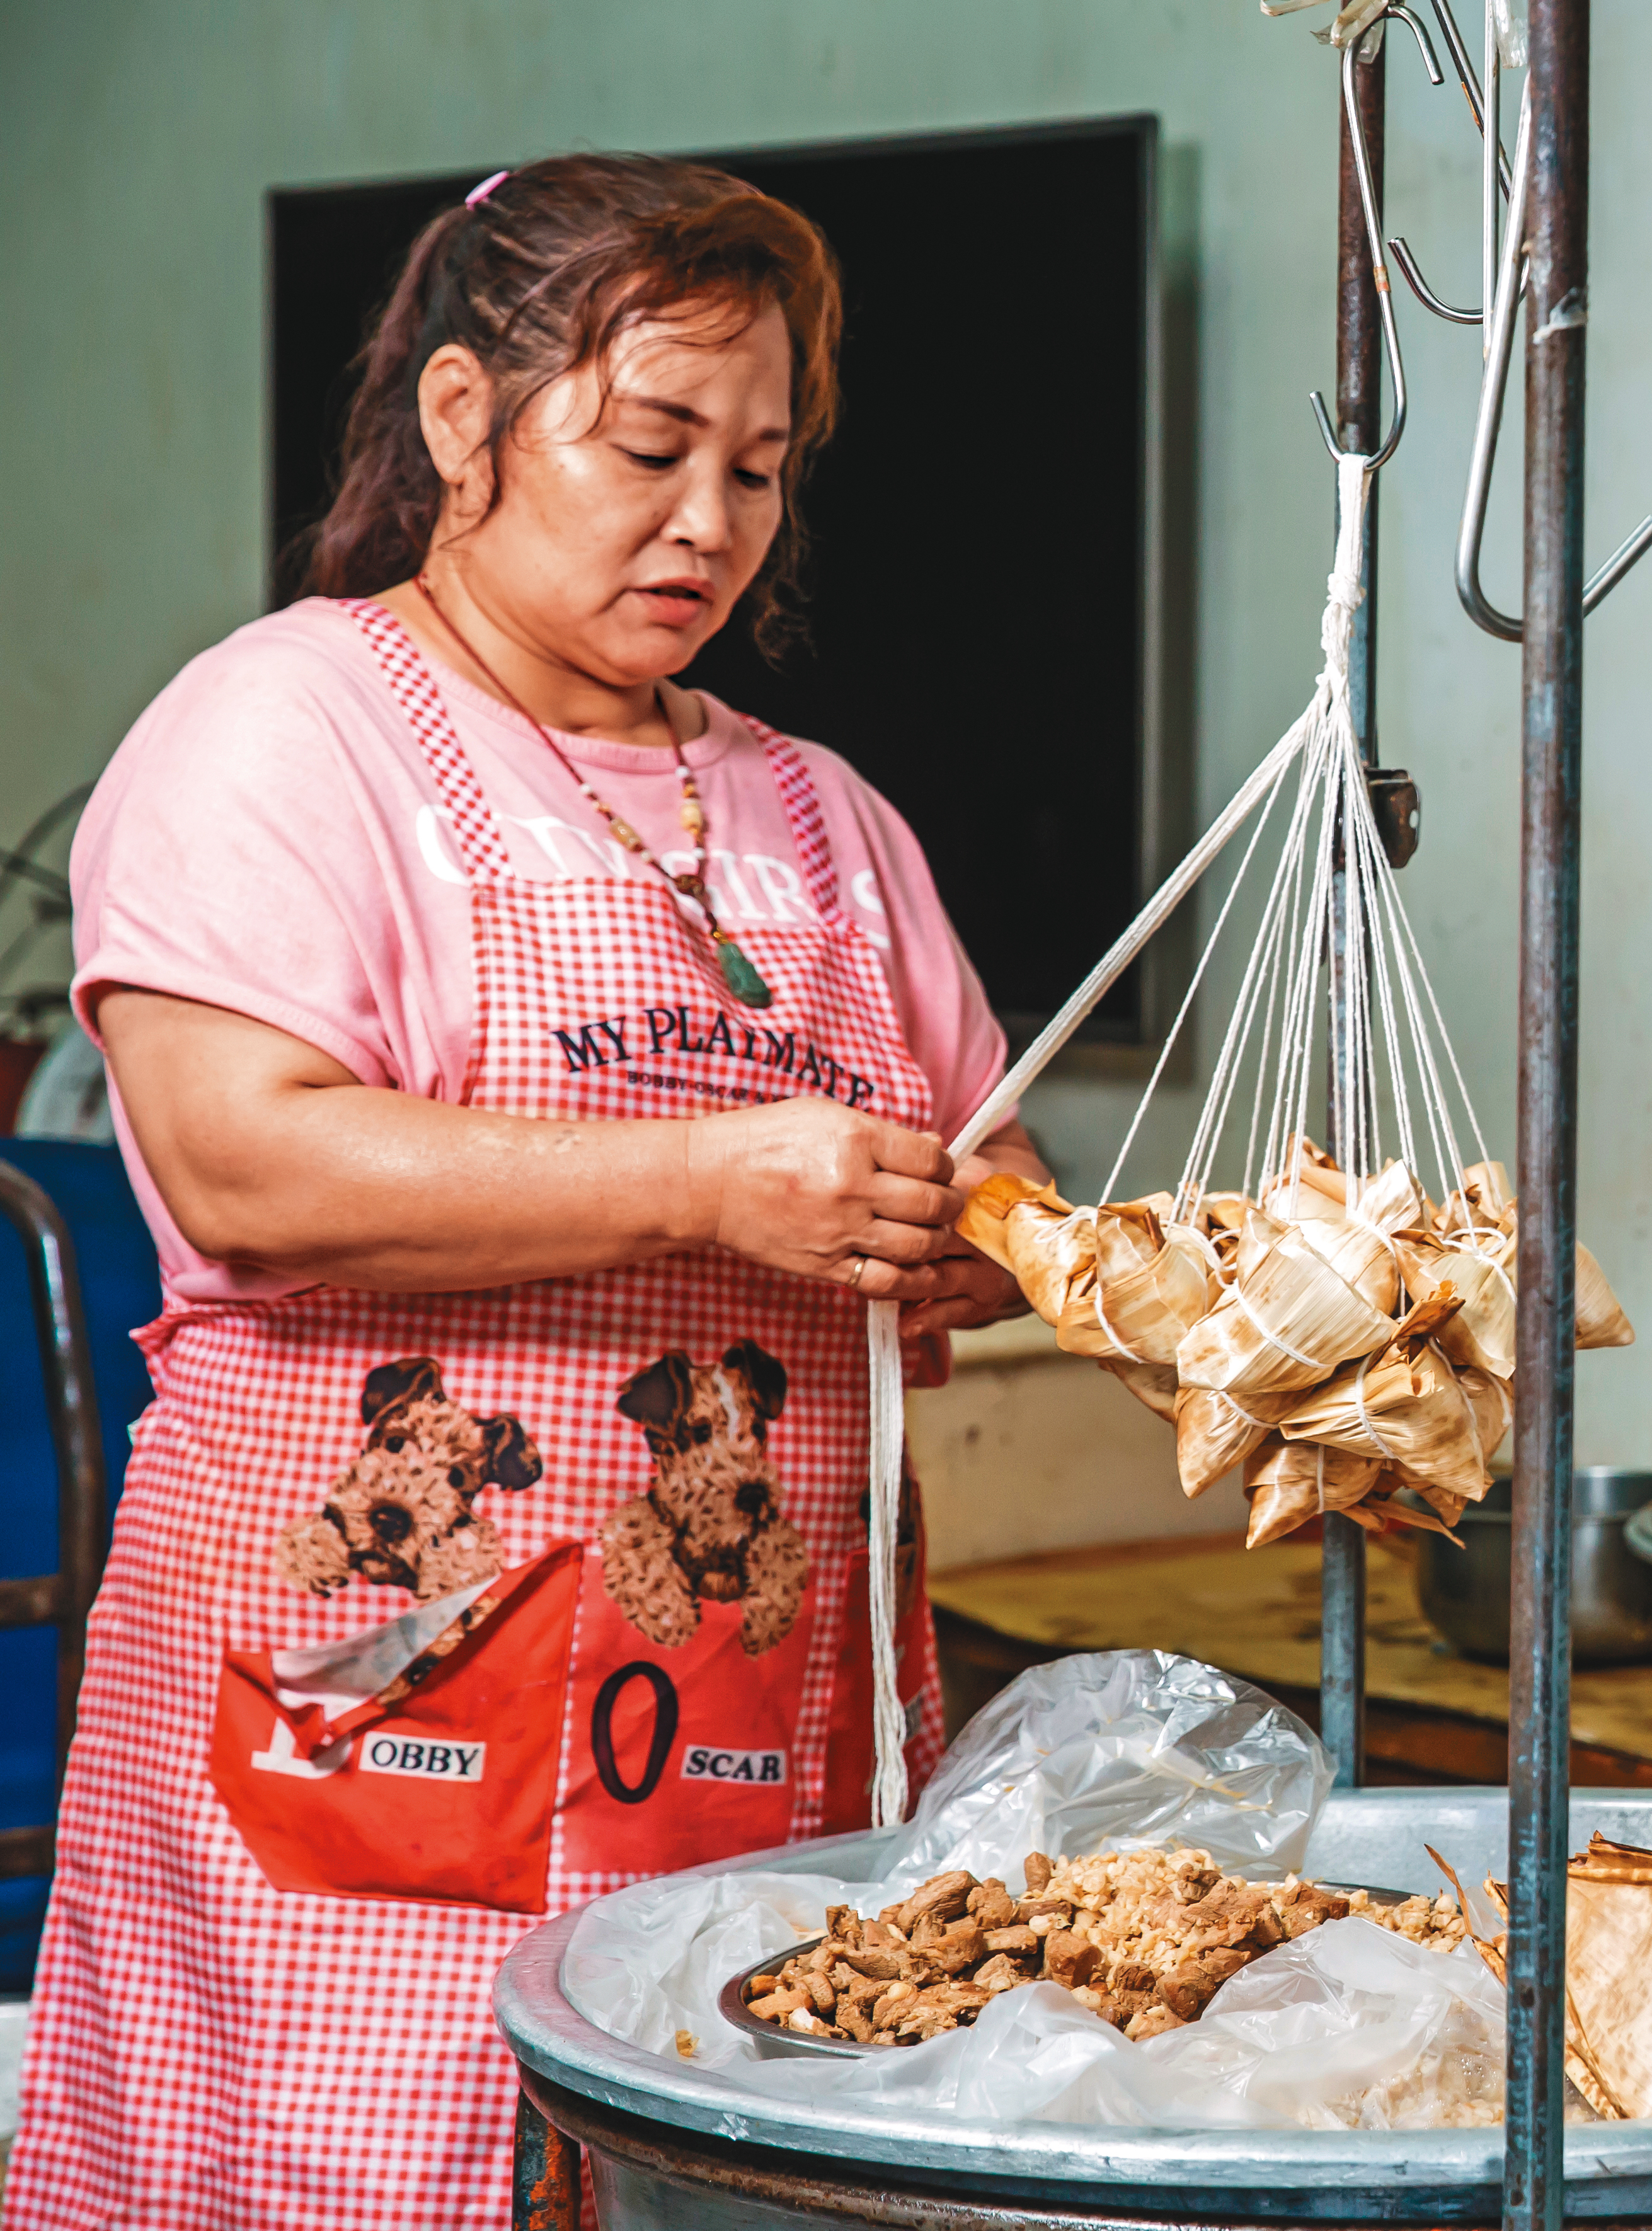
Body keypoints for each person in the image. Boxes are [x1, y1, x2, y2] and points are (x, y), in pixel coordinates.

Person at [6, 155, 1044, 2227]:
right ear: (464, 419)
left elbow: (994, 1161)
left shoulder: (815, 819)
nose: (708, 524)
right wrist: (708, 1186)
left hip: (747, 1742)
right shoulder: (289, 730)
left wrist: (983, 1243)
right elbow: (243, 1160)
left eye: (758, 469)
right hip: (366, 1754)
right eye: (649, 445)